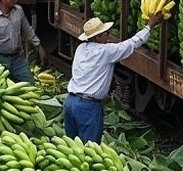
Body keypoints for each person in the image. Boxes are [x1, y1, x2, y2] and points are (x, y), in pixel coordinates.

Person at [63, 11, 165, 143]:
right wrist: (149, 25)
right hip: (87, 108)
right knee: (89, 149)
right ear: (98, 37)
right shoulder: (106, 51)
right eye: (106, 34)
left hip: (70, 102)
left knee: (71, 147)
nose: (109, 36)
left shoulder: (81, 48)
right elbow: (131, 44)